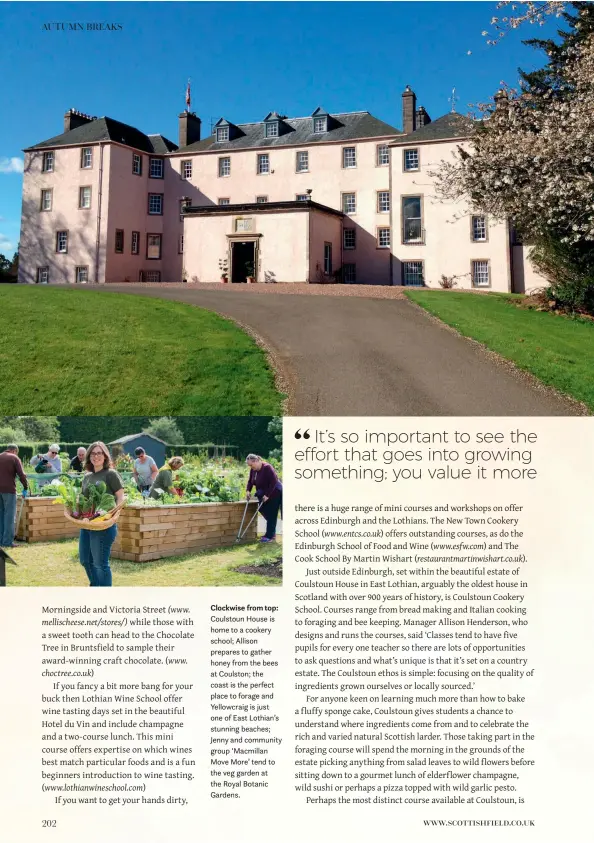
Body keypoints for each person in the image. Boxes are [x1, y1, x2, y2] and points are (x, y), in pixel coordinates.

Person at [78, 442, 125, 587]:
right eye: (92, 453)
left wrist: (113, 515)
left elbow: (120, 497)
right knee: (85, 560)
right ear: (89, 457)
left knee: (100, 564)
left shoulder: (111, 474)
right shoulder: (87, 476)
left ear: (105, 456)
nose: (96, 456)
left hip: (103, 525)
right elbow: (83, 498)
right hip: (87, 524)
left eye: (99, 453)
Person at [245, 454, 282, 543]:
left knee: (272, 514)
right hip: (263, 493)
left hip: (274, 492)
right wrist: (248, 491)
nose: (250, 467)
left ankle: (270, 536)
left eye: (251, 465)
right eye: (249, 465)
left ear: (256, 461)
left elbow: (274, 482)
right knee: (262, 509)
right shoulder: (253, 470)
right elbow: (250, 481)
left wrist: (268, 495)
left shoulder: (267, 468)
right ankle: (271, 532)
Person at [0, 445, 28, 548]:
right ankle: (7, 542)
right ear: (14, 450)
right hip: (9, 490)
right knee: (9, 516)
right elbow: (22, 475)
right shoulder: (14, 458)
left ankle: (1, 540)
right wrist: (25, 487)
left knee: (1, 515)